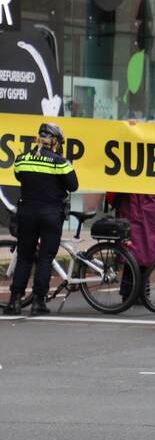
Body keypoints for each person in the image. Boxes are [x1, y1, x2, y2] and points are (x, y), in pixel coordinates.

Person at [5, 122, 78, 315]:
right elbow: (73, 186)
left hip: (27, 214)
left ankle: (14, 302)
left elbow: (19, 176)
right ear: (55, 142)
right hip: (51, 216)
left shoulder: (22, 160)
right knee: (45, 259)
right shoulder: (60, 163)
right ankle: (38, 302)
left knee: (24, 258)